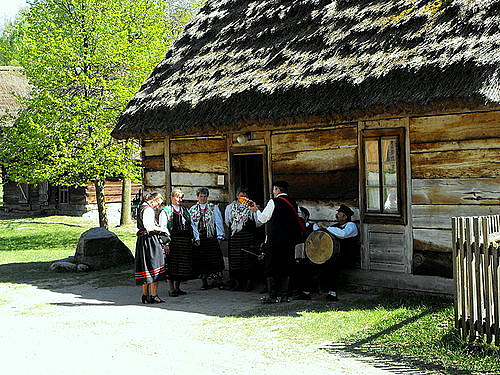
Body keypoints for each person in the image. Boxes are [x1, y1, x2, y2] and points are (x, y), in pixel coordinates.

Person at [250, 181, 304, 303]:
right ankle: (285, 295)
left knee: (271, 267)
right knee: (286, 266)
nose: (273, 192)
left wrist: (256, 210)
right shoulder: (294, 203)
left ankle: (272, 296)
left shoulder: (273, 202)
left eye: (274, 190)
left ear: (277, 190)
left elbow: (262, 218)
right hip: (289, 241)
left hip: (274, 241)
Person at [313, 204, 358, 301]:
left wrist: (326, 227)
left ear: (345, 216)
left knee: (331, 266)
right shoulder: (335, 226)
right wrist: (318, 227)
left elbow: (342, 234)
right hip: (334, 255)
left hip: (347, 256)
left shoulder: (351, 226)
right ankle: (315, 290)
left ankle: (332, 293)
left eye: (339, 213)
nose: (337, 215)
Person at [159, 188, 199, 297]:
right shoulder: (166, 211)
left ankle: (178, 287)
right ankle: (171, 289)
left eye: (181, 197)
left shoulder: (185, 211)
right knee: (172, 265)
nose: (179, 199)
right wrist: (165, 243)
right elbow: (163, 228)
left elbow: (192, 224)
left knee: (182, 265)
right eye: (177, 197)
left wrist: (196, 237)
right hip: (173, 241)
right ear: (171, 197)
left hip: (184, 241)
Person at [224, 187, 264, 291]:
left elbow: (259, 222)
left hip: (248, 236)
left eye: (245, 196)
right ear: (237, 196)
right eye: (241, 195)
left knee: (248, 259)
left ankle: (249, 283)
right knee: (235, 260)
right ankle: (237, 283)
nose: (243, 198)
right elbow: (227, 221)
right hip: (235, 237)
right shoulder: (230, 207)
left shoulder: (252, 206)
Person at [134, 191, 169, 304]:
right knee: (155, 265)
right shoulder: (148, 209)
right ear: (154, 200)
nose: (157, 206)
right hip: (149, 241)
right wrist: (162, 229)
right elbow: (149, 226)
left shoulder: (141, 206)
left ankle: (145, 295)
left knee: (146, 266)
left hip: (143, 240)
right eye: (158, 203)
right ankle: (153, 295)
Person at [189, 187, 225, 290]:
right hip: (200, 237)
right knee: (201, 260)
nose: (203, 198)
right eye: (201, 196)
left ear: (207, 197)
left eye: (205, 196)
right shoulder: (193, 209)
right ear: (197, 197)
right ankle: (204, 282)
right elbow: (192, 225)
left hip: (211, 237)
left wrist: (220, 235)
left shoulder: (213, 208)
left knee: (215, 260)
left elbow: (218, 222)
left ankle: (219, 281)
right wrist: (196, 238)